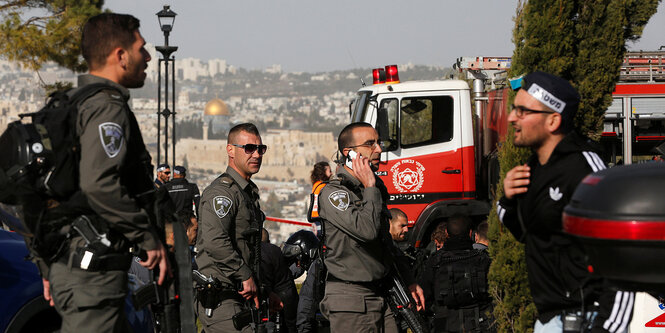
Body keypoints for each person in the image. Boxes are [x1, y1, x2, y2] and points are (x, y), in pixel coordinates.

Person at [40, 13, 170, 333]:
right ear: (121, 55)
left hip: (77, 270)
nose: (149, 56)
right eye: (141, 48)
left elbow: (42, 192)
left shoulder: (69, 105)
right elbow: (99, 184)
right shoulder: (106, 107)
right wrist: (148, 237)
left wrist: (47, 266)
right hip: (92, 274)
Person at [496, 71, 634, 333]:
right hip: (549, 321)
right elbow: (527, 233)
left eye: (523, 111)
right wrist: (508, 199)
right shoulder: (533, 167)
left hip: (589, 320)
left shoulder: (586, 170)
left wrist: (607, 328)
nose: (512, 117)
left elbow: (621, 257)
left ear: (553, 121)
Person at [317, 122, 425, 332]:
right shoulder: (335, 194)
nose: (379, 149)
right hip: (353, 300)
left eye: (378, 142)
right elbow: (367, 231)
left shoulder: (372, 189)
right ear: (349, 154)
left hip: (381, 295)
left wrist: (409, 280)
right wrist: (370, 187)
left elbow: (387, 244)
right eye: (370, 144)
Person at [195, 123, 271, 332]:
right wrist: (244, 275)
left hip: (240, 297)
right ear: (230, 150)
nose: (256, 154)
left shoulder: (245, 192)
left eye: (260, 149)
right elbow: (215, 241)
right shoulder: (223, 193)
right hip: (223, 298)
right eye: (248, 148)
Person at [419, 215, 493, 333]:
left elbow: (424, 296)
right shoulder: (483, 259)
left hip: (445, 325)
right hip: (479, 325)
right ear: (471, 233)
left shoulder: (435, 261)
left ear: (447, 233)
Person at [282, 230, 327, 333]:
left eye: (298, 260)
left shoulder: (317, 266)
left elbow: (307, 300)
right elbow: (294, 270)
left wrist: (302, 328)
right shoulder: (321, 259)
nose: (298, 264)